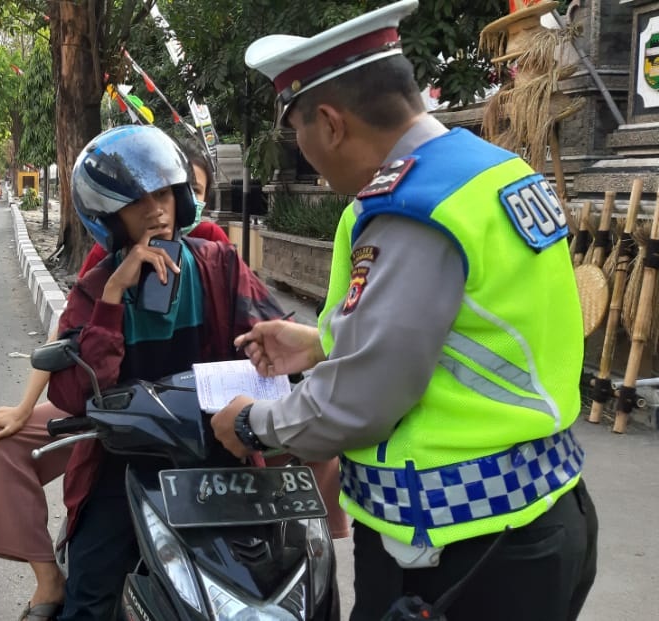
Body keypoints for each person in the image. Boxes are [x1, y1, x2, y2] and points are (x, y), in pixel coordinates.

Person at [211, 1, 598, 619]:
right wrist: (320, 342)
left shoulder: (414, 209)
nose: (305, 152)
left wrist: (253, 423)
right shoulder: (491, 171)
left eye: (298, 132)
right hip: (542, 512)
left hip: (457, 553)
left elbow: (357, 405)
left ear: (331, 123)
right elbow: (470, 328)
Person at [38, 125, 290, 620]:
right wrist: (113, 298)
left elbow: (274, 336)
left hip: (219, 455)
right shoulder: (95, 286)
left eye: (162, 194)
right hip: (123, 466)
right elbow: (71, 392)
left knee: (272, 583)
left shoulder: (219, 265)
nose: (155, 210)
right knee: (89, 596)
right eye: (136, 203)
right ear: (110, 218)